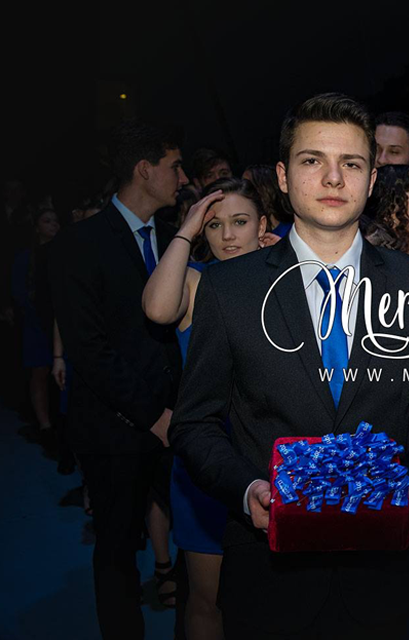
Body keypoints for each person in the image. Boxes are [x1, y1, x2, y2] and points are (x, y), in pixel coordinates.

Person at [168, 92, 409, 639]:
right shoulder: (230, 289)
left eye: (350, 163)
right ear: (283, 176)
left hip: (380, 575)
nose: (333, 179)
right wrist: (246, 489)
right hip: (270, 574)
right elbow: (195, 422)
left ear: (372, 179)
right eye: (313, 161)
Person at [48, 119, 187, 640]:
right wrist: (152, 417)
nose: (181, 176)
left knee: (195, 543)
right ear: (144, 169)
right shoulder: (79, 244)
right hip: (115, 429)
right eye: (174, 166)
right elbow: (90, 352)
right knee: (117, 553)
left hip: (177, 422)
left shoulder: (176, 239)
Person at [143, 178, 268, 640]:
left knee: (272, 604)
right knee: (207, 600)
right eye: (214, 226)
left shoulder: (285, 279)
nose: (228, 236)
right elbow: (157, 310)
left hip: (270, 459)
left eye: (240, 222)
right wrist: (187, 228)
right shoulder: (197, 281)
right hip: (207, 462)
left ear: (263, 225)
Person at [11, 208, 60, 449]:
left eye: (55, 220)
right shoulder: (25, 257)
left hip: (60, 321)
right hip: (36, 322)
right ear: (37, 226)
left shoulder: (64, 252)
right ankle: (45, 426)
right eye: (46, 221)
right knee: (39, 373)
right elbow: (18, 292)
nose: (53, 225)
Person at [242, 163, 294, 239]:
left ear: (266, 190)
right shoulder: (245, 234)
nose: (241, 191)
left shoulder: (291, 233)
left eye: (247, 187)